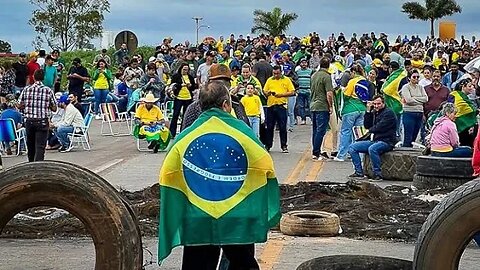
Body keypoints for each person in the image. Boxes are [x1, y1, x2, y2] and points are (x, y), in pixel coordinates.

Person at [158, 80, 280, 269]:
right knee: (242, 262)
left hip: (198, 214)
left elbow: (168, 172)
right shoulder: (242, 132)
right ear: (225, 104)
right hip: (237, 213)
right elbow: (264, 164)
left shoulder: (186, 136)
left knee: (197, 264)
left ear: (200, 105)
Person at [348, 95, 397, 181]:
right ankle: (359, 172)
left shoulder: (389, 113)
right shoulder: (374, 112)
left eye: (379, 104)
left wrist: (367, 132)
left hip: (387, 141)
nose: (376, 106)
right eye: (374, 104)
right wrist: (368, 111)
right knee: (352, 147)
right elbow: (367, 125)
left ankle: (377, 174)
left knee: (372, 149)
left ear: (383, 103)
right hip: (375, 140)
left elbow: (379, 127)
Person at [18, 69, 57, 162]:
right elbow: (55, 108)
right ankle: (38, 167)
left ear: (33, 77)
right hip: (42, 121)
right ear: (43, 78)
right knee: (40, 147)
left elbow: (19, 104)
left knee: (30, 146)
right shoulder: (48, 90)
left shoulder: (26, 89)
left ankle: (30, 165)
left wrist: (26, 105)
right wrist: (48, 105)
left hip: (29, 120)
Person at [335, 64, 370, 162]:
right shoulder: (365, 81)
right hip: (362, 109)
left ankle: (341, 155)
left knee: (346, 132)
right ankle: (358, 154)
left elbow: (345, 95)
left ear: (354, 72)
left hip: (351, 109)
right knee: (358, 133)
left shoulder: (353, 81)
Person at [263, 65, 295, 153]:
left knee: (282, 127)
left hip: (281, 105)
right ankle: (268, 145)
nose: (276, 75)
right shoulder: (270, 80)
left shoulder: (286, 80)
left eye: (277, 73)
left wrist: (281, 95)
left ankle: (284, 145)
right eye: (274, 73)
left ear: (281, 72)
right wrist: (268, 93)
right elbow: (264, 91)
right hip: (271, 105)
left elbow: (292, 92)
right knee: (269, 127)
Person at [310, 57, 334, 160]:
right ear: (328, 66)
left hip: (313, 104)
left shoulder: (314, 75)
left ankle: (315, 151)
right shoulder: (326, 76)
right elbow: (329, 93)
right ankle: (316, 152)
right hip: (322, 106)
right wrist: (331, 106)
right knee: (321, 130)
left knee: (315, 130)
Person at [401, 69, 428, 147]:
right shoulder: (405, 87)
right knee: (408, 137)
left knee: (415, 136)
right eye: (414, 77)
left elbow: (426, 99)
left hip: (419, 113)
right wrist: (420, 99)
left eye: (417, 77)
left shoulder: (420, 87)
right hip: (409, 113)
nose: (416, 78)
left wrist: (414, 98)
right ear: (409, 78)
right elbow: (408, 100)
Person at [448, 78, 478, 147]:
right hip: (459, 121)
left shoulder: (465, 97)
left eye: (472, 86)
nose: (472, 88)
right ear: (463, 87)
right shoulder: (455, 94)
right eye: (469, 86)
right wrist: (475, 110)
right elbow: (470, 109)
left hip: (464, 123)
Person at [170, 63, 197, 138]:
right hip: (178, 97)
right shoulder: (176, 76)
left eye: (187, 70)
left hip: (188, 97)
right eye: (184, 69)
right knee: (175, 115)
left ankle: (183, 131)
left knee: (186, 116)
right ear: (181, 69)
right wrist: (181, 85)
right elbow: (173, 85)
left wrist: (191, 86)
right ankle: (172, 133)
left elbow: (194, 87)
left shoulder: (190, 77)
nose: (185, 71)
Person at [296, 58, 313, 125]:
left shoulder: (310, 71)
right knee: (301, 106)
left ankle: (312, 119)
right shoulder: (298, 72)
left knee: (310, 106)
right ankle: (303, 119)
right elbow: (296, 81)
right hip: (300, 91)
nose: (303, 64)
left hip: (308, 91)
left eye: (305, 62)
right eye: (302, 62)